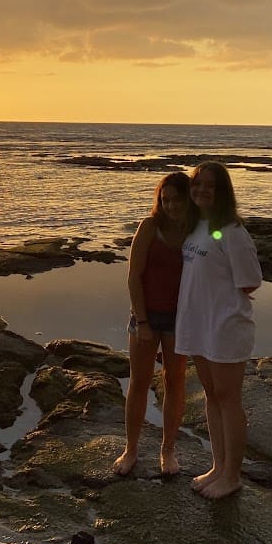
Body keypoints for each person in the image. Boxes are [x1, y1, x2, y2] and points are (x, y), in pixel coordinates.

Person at [176, 161, 263, 499]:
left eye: (209, 186)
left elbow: (251, 282)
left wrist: (222, 305)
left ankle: (232, 475)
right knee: (212, 397)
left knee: (229, 400)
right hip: (199, 326)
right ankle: (218, 466)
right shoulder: (197, 226)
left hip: (225, 328)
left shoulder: (232, 232)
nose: (201, 191)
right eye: (197, 184)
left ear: (222, 191)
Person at [113, 171, 198, 477]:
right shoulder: (150, 226)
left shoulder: (197, 230)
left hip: (180, 319)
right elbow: (134, 276)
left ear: (189, 199)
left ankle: (168, 451)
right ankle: (131, 450)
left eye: (177, 199)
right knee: (138, 382)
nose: (171, 206)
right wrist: (143, 321)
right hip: (146, 316)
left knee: (175, 384)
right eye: (166, 200)